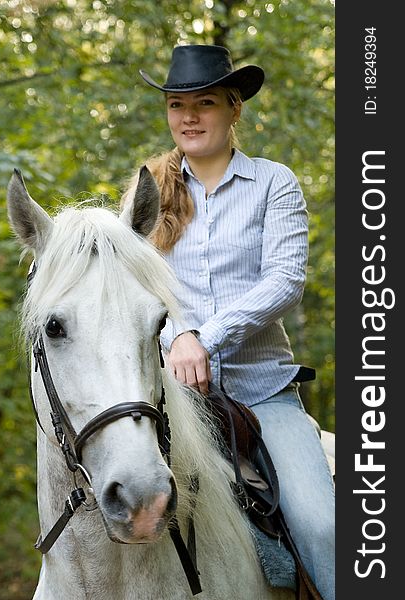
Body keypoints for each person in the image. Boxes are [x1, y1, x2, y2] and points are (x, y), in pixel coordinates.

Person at [126, 44, 335, 600]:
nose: (189, 117)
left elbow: (285, 279)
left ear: (234, 109)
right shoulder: (148, 188)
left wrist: (203, 337)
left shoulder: (274, 183)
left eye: (205, 102)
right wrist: (176, 339)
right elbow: (136, 289)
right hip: (171, 397)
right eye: (176, 104)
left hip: (264, 395)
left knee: (322, 525)